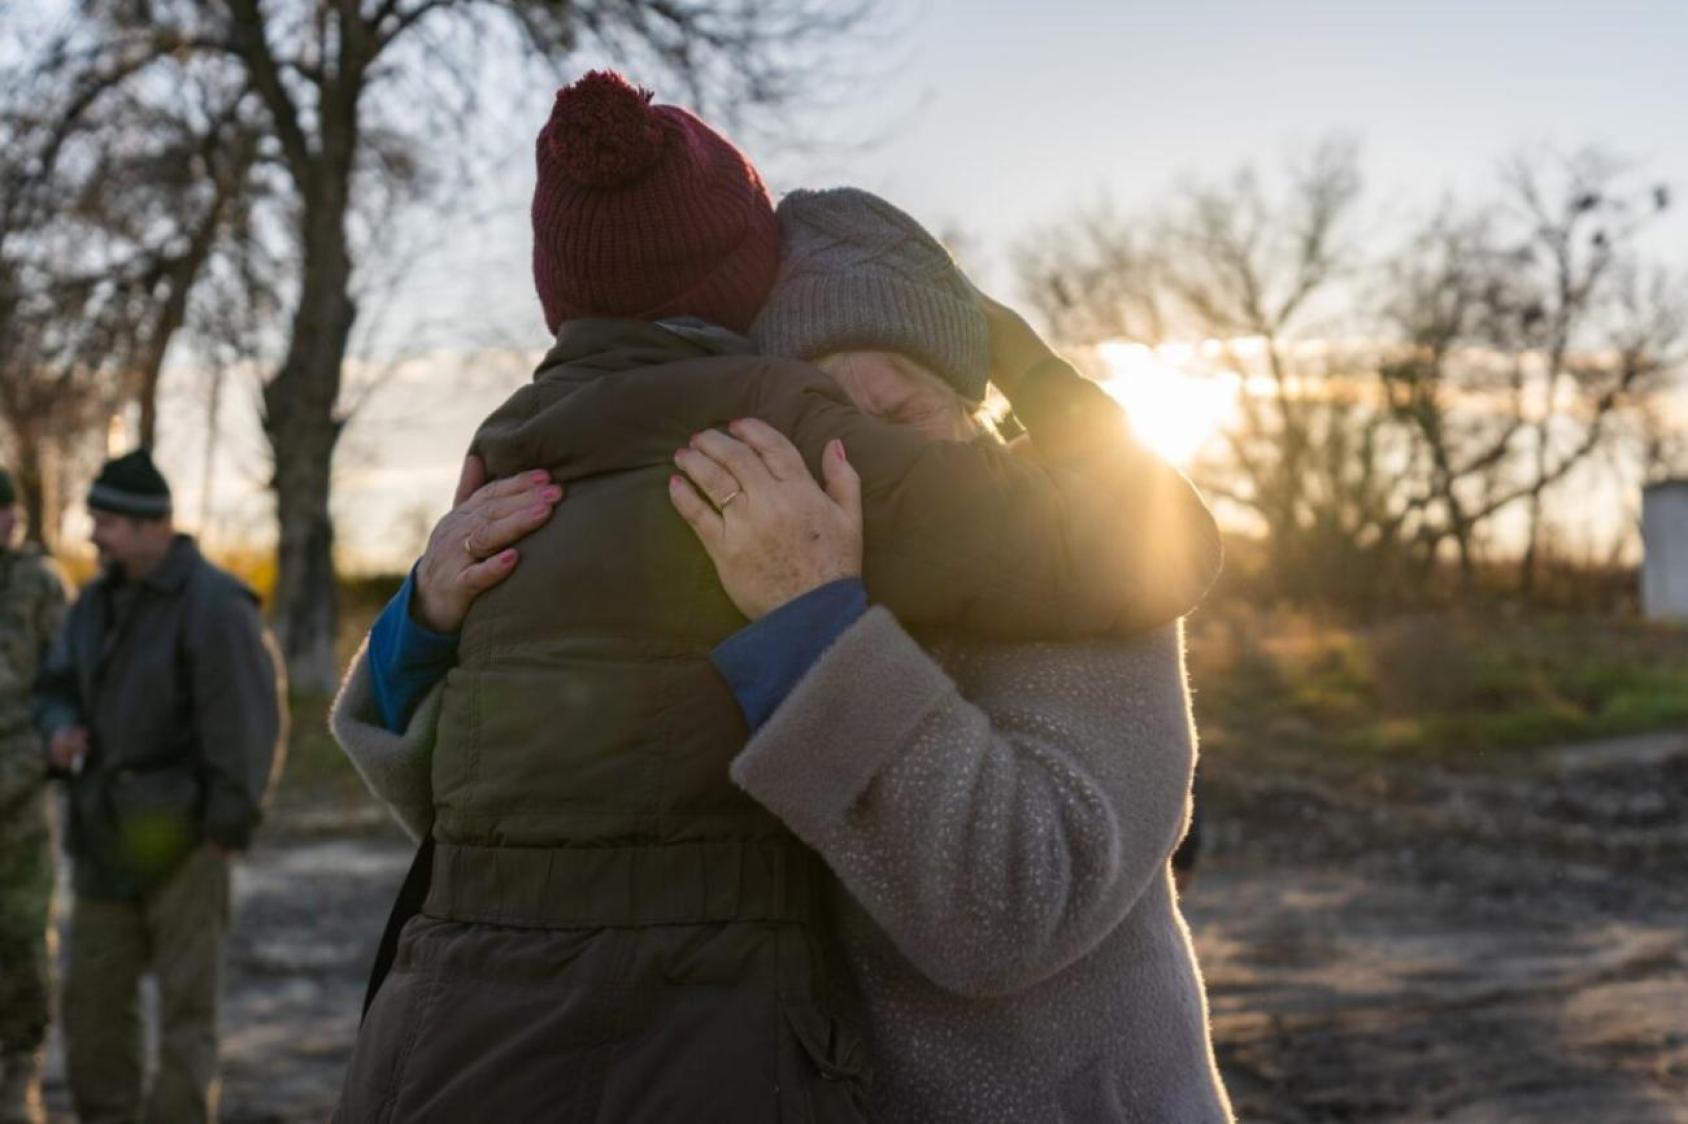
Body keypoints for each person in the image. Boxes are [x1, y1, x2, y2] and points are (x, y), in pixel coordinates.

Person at [333, 72, 1221, 1121]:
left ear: (971, 406)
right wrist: (429, 619)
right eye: (828, 407)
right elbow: (544, 807)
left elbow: (1013, 908)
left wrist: (814, 632)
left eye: (905, 400)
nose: (865, 443)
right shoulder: (739, 554)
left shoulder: (1081, 578)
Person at [35, 449, 286, 1124]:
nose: (93, 534)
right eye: (93, 519)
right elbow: (56, 687)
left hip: (188, 845)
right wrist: (61, 730)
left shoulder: (217, 606)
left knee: (186, 1022)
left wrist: (225, 831)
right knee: (92, 1012)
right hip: (98, 840)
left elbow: (249, 726)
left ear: (155, 526)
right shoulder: (92, 603)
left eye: (107, 521)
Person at [0, 469, 68, 1124]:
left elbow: (65, 683)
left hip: (17, 799)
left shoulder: (40, 586)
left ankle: (19, 1074)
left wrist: (42, 755)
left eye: (9, 515)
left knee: (20, 934)